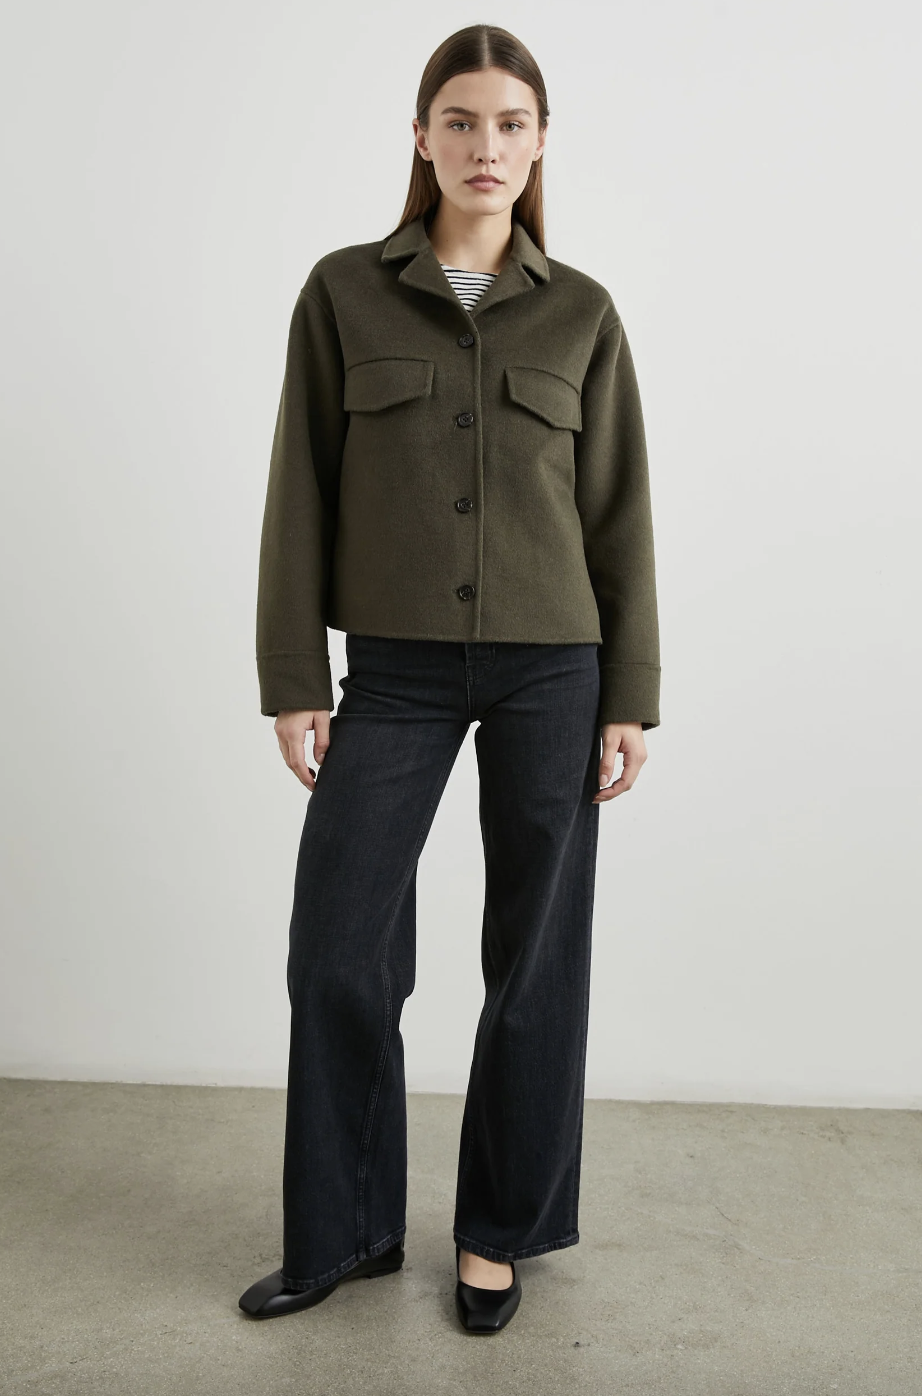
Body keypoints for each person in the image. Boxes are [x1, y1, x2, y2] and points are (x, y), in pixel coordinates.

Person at [238, 23, 661, 1334]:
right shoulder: (341, 293)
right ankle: (347, 1231)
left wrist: (630, 693)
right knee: (337, 946)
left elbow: (618, 514)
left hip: (554, 666)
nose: (487, 146)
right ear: (421, 136)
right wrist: (292, 674)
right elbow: (300, 490)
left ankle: (498, 1235)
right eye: (462, 120)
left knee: (536, 959)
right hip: (395, 668)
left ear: (539, 144)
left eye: (511, 124)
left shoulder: (582, 310)